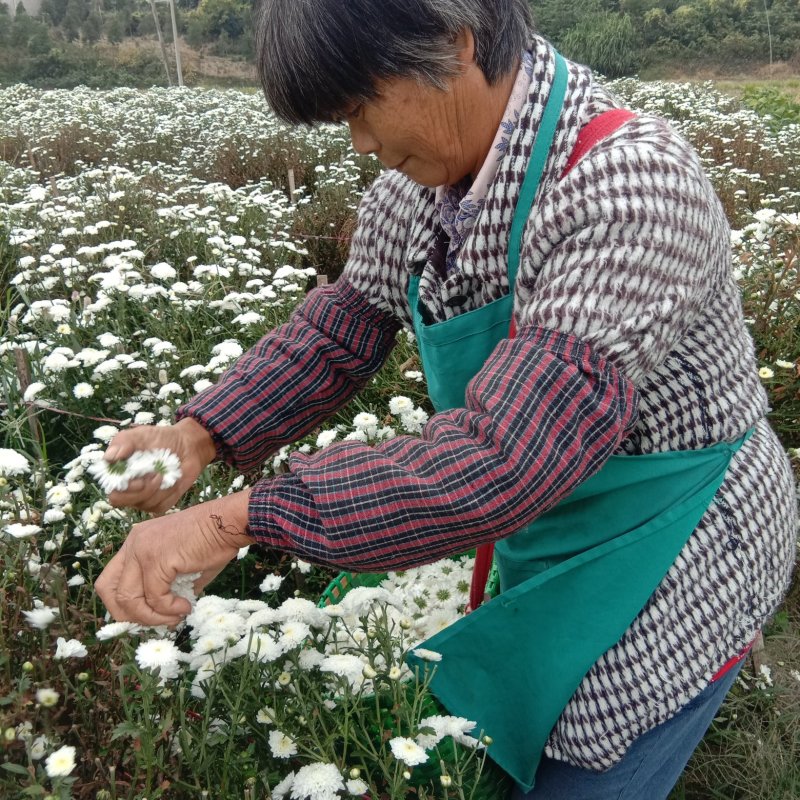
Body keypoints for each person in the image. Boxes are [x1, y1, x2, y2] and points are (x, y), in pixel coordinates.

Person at [95, 0, 797, 797]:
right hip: (559, 513)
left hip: (680, 537)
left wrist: (236, 519)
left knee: (586, 748)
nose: (361, 144)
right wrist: (201, 433)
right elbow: (345, 325)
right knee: (505, 726)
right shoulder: (429, 184)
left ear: (453, 45)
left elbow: (503, 458)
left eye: (360, 108)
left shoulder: (629, 188)